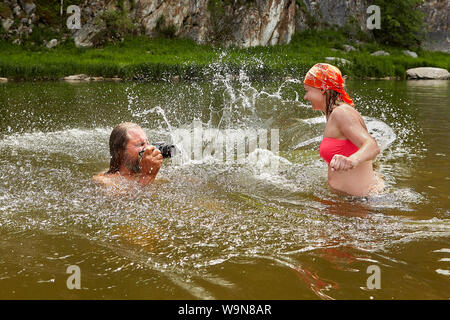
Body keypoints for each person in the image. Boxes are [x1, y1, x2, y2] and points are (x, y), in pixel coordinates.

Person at [303, 63, 384, 196]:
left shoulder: (341, 113)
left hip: (359, 205)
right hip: (345, 202)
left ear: (322, 89)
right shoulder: (332, 114)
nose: (305, 97)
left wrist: (352, 160)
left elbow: (372, 146)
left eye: (307, 91)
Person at [93, 122, 163, 187]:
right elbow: (135, 199)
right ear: (121, 151)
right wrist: (148, 177)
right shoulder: (105, 181)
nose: (148, 148)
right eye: (140, 144)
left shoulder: (155, 174)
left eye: (147, 143)